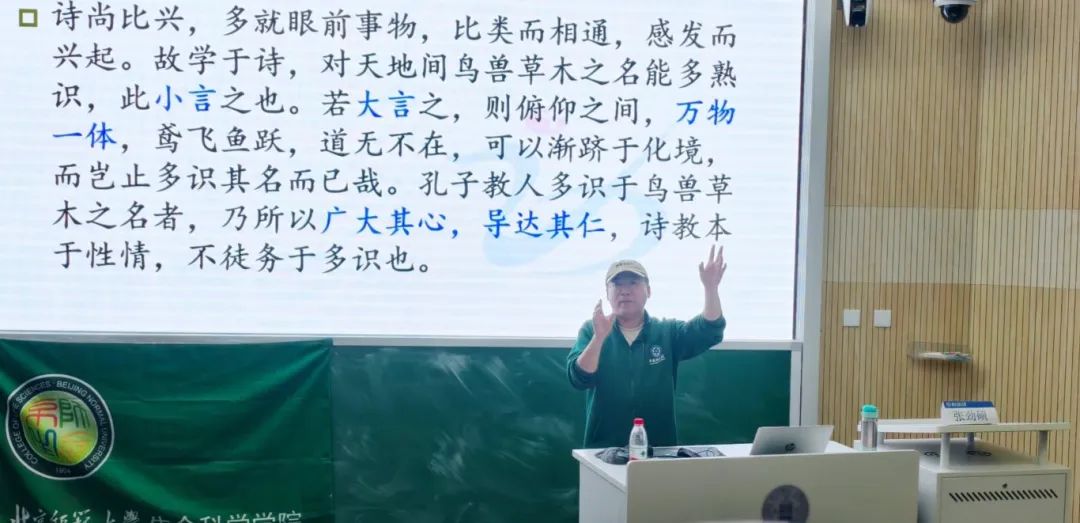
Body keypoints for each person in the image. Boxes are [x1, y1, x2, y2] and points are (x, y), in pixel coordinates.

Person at [566, 246, 727, 449]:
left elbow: (709, 330)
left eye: (633, 283)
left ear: (648, 291)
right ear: (607, 293)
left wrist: (711, 288)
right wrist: (598, 339)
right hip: (603, 450)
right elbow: (578, 378)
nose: (625, 290)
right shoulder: (592, 330)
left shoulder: (667, 331)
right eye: (617, 284)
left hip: (659, 450)